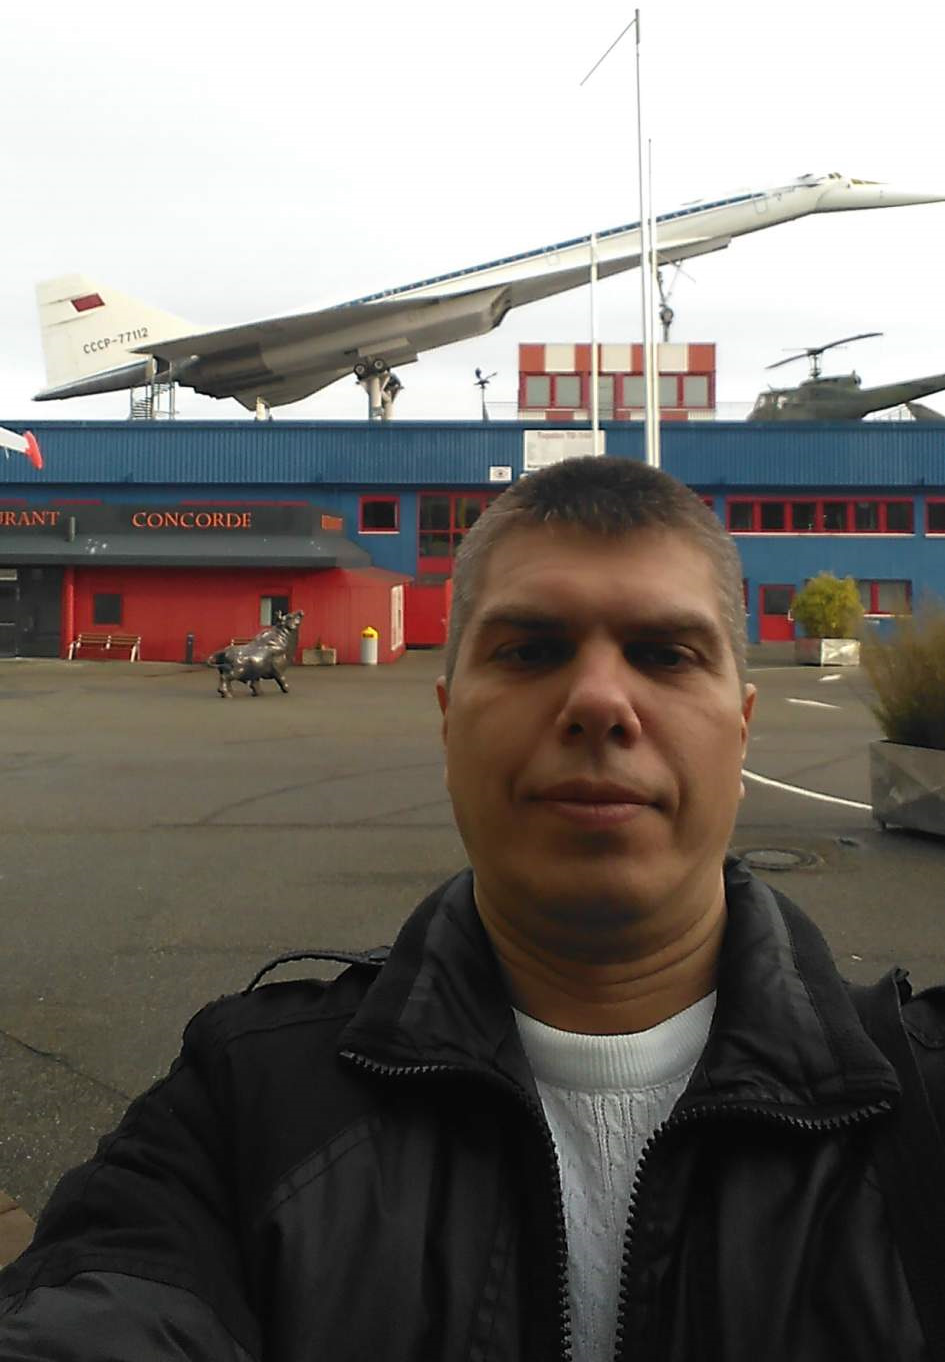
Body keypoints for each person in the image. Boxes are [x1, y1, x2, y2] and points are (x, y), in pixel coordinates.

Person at [1, 454, 943, 1360]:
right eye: (530, 650)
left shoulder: (926, 1115)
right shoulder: (241, 1109)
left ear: (740, 729)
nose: (598, 702)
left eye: (663, 653)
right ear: (448, 720)